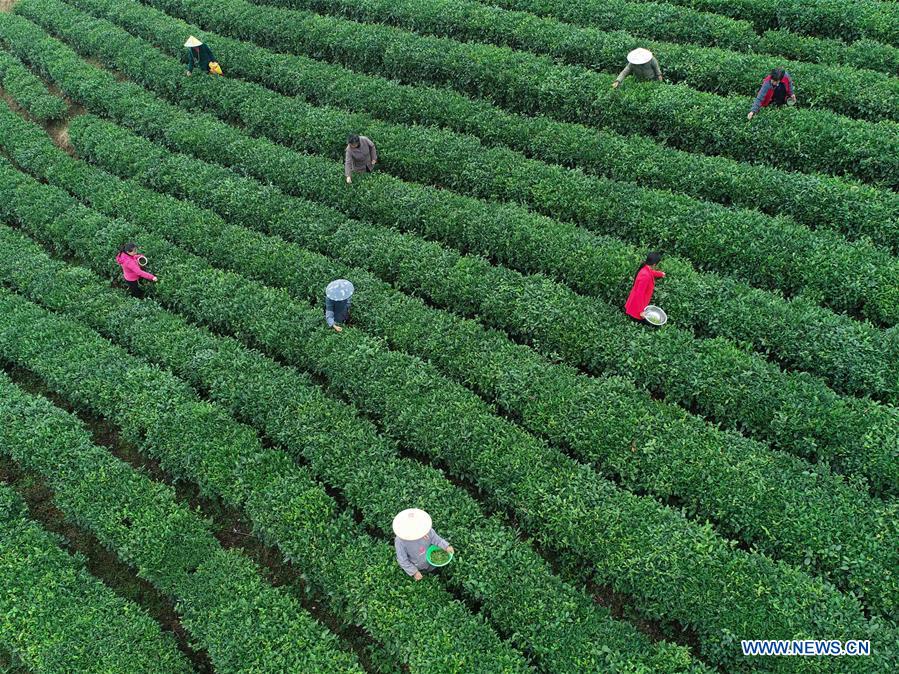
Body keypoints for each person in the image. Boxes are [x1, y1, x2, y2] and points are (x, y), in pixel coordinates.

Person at [393, 508, 455, 581]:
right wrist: (414, 572)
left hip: (431, 562)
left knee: (433, 572)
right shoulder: (400, 541)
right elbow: (403, 560)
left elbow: (436, 539)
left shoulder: (426, 530)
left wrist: (446, 547)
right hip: (418, 566)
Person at [624, 252, 665, 327]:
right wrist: (641, 312)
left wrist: (660, 274)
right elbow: (639, 294)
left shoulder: (645, 269)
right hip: (636, 309)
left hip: (637, 304)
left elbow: (651, 272)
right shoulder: (645, 276)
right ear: (654, 264)